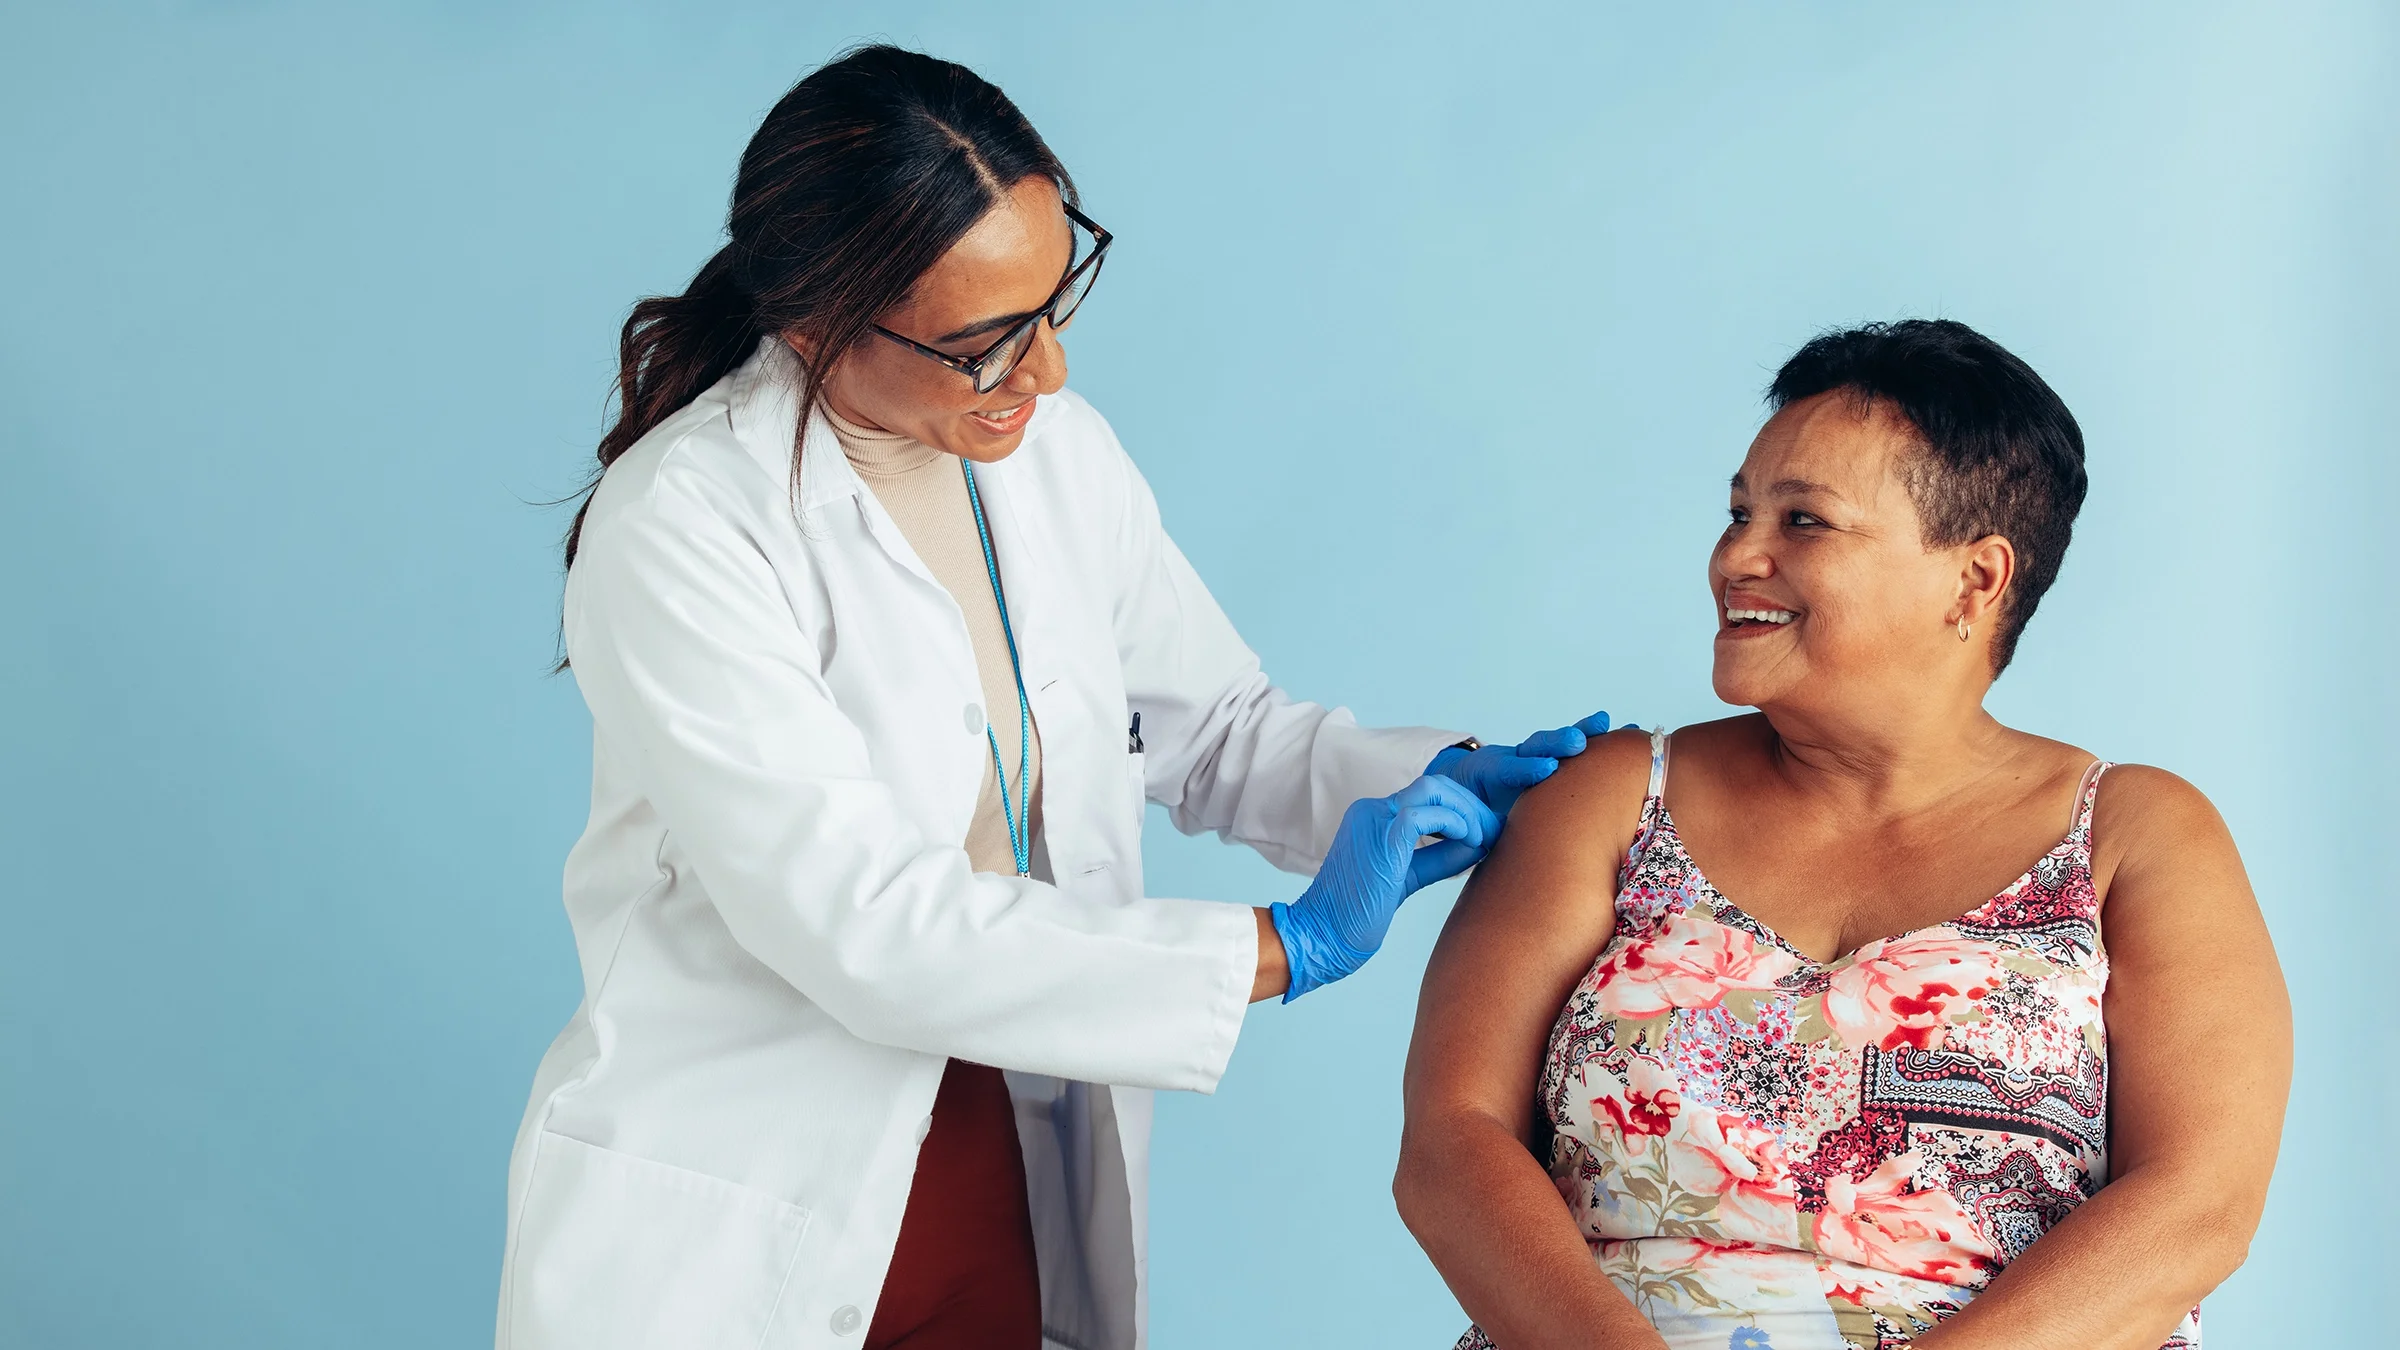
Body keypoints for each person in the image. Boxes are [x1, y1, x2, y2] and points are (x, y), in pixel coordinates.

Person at [498, 45, 1611, 1350]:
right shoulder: (684, 526)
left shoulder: (1050, 457)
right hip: (752, 1208)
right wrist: (1279, 946)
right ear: (814, 320)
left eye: (1052, 302)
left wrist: (1463, 787)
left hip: (1008, 1170)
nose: (1048, 377)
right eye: (985, 344)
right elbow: (862, 925)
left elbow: (1222, 734)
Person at [1396, 319, 2290, 1350]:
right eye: (1737, 512)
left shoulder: (2135, 835)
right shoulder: (1604, 801)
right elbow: (1451, 1143)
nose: (1738, 556)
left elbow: (2200, 1200)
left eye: (1804, 521)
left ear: (1976, 578)